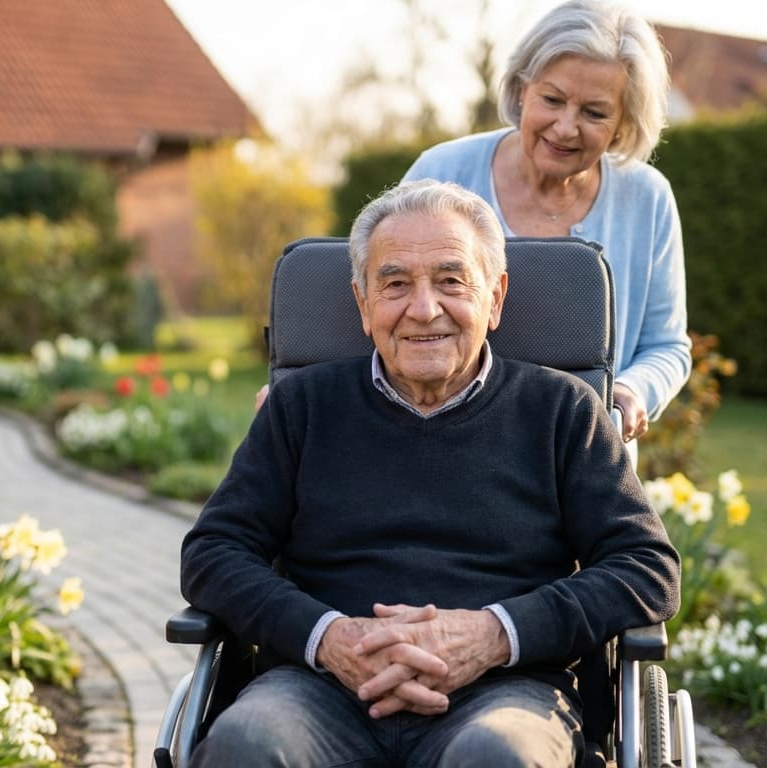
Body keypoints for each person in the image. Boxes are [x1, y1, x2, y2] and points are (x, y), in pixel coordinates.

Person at [181, 180, 680, 767]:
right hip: (317, 690)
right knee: (245, 744)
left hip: (505, 690)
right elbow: (212, 552)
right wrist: (330, 637)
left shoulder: (563, 411)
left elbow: (647, 567)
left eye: (451, 281)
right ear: (363, 304)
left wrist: (493, 635)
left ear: (494, 298)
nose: (423, 310)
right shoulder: (301, 408)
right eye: (395, 284)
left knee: (500, 756)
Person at [402, 0, 690, 463]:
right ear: (522, 90)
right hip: (446, 450)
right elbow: (382, 299)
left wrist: (633, 391)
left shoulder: (647, 198)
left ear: (622, 125)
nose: (566, 127)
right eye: (552, 100)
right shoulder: (441, 172)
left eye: (594, 112)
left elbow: (667, 345)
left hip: (589, 460)